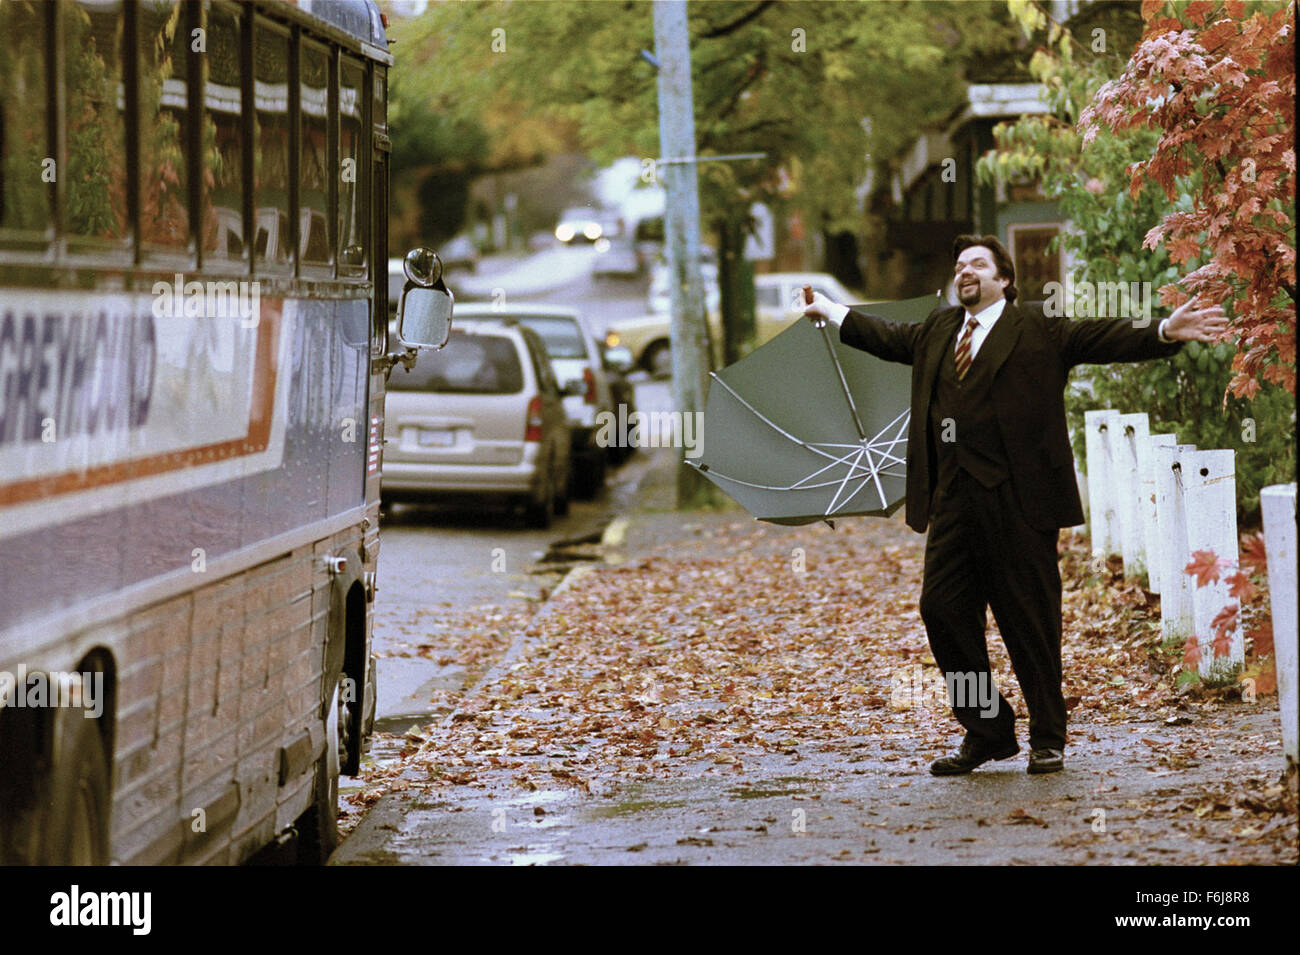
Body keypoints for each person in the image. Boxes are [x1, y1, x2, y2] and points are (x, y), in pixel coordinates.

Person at [803, 235, 1228, 775]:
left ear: (1004, 279)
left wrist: (1165, 330)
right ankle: (987, 730)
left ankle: (1048, 735)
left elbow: (1101, 337)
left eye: (978, 264)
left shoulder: (1038, 326)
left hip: (1021, 501)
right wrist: (830, 310)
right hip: (953, 501)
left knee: (1029, 622)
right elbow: (886, 337)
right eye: (959, 266)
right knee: (942, 611)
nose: (966, 272)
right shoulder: (938, 330)